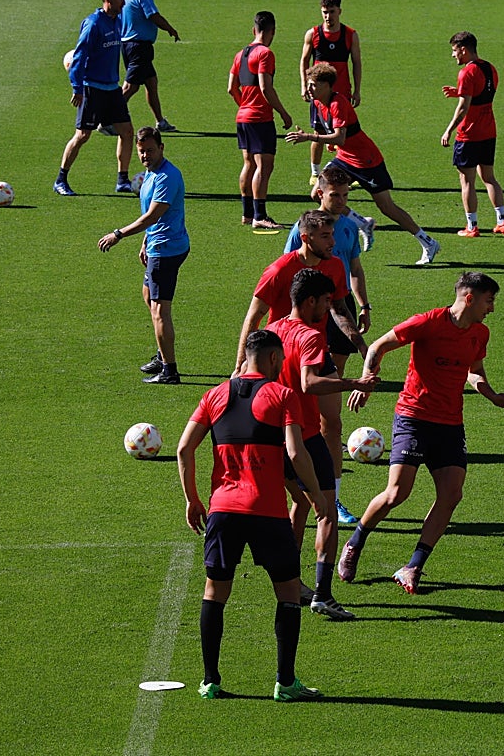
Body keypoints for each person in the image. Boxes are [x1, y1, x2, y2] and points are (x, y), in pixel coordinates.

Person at [177, 329, 331, 702]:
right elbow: (295, 454)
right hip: (267, 511)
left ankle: (211, 680)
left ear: (246, 356)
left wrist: (193, 500)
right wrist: (313, 494)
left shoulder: (215, 395)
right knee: (289, 591)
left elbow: (184, 448)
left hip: (223, 510)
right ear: (276, 359)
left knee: (215, 592)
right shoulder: (282, 395)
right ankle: (285, 681)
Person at [337, 272, 504, 594]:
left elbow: (474, 373)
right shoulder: (428, 323)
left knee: (451, 495)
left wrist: (493, 396)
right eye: (489, 301)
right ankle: (354, 543)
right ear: (470, 298)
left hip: (449, 424)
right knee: (397, 493)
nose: (492, 308)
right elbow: (378, 346)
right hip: (414, 417)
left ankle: (413, 566)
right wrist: (366, 382)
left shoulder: (480, 333)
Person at [267, 269, 377, 620]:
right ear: (311, 300)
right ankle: (323, 595)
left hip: (272, 438)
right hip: (304, 436)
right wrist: (354, 382)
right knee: (326, 513)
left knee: (298, 503)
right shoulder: (309, 336)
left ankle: (292, 583)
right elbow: (310, 382)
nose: (330, 308)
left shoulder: (270, 331)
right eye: (327, 301)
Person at [284, 166, 372, 524]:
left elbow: (353, 269)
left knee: (329, 421)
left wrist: (362, 307)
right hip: (294, 336)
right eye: (335, 195)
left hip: (331, 319)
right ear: (319, 193)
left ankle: (331, 494)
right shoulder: (300, 236)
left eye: (346, 195)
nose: (341, 201)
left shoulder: (345, 230)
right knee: (292, 420)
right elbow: (285, 290)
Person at [286, 64, 440, 266]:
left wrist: (308, 137)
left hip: (366, 159)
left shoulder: (338, 103)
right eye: (309, 84)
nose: (309, 89)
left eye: (313, 85)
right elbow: (333, 137)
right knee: (318, 193)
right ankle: (362, 222)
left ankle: (428, 242)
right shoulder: (316, 104)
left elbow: (340, 137)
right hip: (344, 157)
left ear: (327, 86)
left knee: (387, 207)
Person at [97, 126, 189, 384]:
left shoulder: (166, 177)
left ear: (161, 148)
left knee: (160, 311)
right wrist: (145, 242)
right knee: (149, 295)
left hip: (167, 249)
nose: (145, 155)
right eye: (141, 151)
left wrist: (118, 234)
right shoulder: (151, 173)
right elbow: (153, 220)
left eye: (150, 150)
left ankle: (170, 370)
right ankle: (163, 355)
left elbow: (152, 216)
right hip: (158, 244)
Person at [235, 209, 365, 374]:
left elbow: (339, 308)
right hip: (283, 353)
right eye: (325, 236)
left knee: (330, 394)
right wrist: (240, 366)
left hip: (315, 349)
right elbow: (253, 317)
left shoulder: (335, 266)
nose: (333, 242)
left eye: (332, 234)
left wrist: (362, 346)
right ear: (305, 238)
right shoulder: (279, 270)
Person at [55, 0, 135, 197]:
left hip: (112, 89)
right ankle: (61, 179)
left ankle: (123, 180)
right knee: (82, 135)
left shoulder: (117, 21)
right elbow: (79, 57)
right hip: (92, 89)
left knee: (127, 132)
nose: (123, 2)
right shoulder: (93, 24)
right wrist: (77, 87)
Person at [228, 11, 293, 230]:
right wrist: (283, 113)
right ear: (272, 31)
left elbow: (231, 88)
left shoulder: (241, 54)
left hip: (243, 117)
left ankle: (247, 213)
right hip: (260, 118)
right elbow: (266, 87)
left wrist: (244, 105)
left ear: (253, 30)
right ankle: (260, 215)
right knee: (264, 166)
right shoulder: (265, 54)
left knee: (249, 163)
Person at [441, 31, 504, 237]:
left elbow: (464, 108)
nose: (453, 55)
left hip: (469, 134)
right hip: (489, 131)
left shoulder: (466, 73)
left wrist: (448, 130)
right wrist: (460, 91)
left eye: (454, 51)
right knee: (489, 178)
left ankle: (472, 226)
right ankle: (502, 221)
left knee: (467, 181)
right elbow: (481, 94)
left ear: (463, 49)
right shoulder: (490, 68)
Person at [299, 0, 363, 187]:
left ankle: (345, 173)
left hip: (342, 93)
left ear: (339, 11)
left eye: (332, 12)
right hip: (318, 95)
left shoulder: (350, 34)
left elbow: (356, 63)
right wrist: (304, 85)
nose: (328, 16)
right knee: (318, 132)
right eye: (325, 12)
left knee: (344, 134)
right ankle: (314, 172)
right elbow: (304, 61)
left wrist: (357, 90)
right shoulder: (313, 34)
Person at [120, 0, 180, 133]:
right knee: (130, 87)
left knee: (151, 83)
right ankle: (107, 119)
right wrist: (170, 29)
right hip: (139, 46)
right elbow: (153, 15)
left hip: (127, 45)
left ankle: (161, 122)